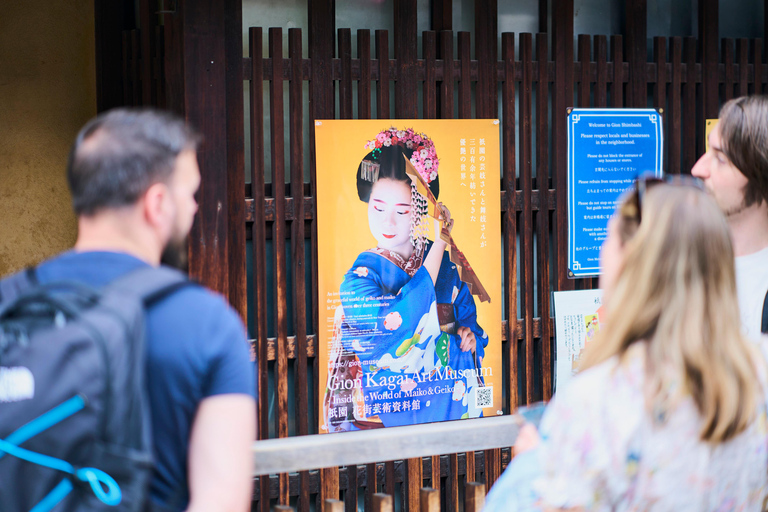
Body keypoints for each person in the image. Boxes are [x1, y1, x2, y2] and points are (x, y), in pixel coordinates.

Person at [484, 181, 768, 511]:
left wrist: (531, 463)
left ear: (631, 263)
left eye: (609, 239)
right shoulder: (758, 371)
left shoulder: (598, 401)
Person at [34, 108, 256, 511]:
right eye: (190, 194)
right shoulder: (207, 323)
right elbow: (220, 499)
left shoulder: (10, 303)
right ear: (157, 203)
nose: (192, 208)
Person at [322, 127, 489, 431]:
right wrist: (440, 244)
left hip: (447, 397)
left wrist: (468, 335)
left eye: (402, 211)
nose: (387, 221)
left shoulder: (448, 267)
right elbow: (395, 323)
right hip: (389, 408)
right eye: (378, 208)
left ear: (420, 211)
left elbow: (463, 318)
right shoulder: (360, 276)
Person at [691, 95, 768, 340]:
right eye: (708, 151)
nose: (698, 169)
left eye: (720, 159)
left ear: (760, 173)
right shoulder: (681, 262)